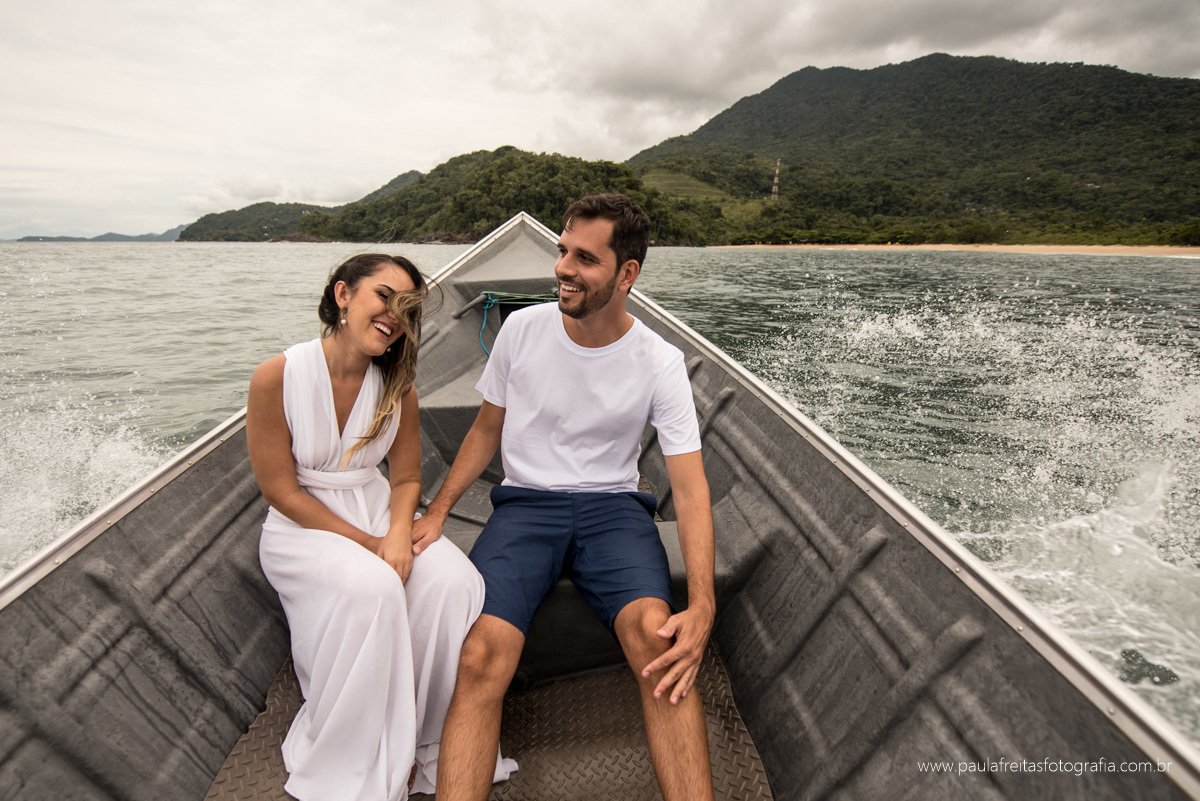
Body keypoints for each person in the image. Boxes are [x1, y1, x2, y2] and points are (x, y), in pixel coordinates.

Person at [410, 194, 717, 801]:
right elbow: (485, 430)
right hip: (526, 507)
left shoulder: (660, 361)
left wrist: (702, 604)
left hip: (615, 513)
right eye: (561, 251)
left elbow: (689, 486)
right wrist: (438, 511)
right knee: (479, 658)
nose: (563, 269)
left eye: (585, 258)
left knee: (658, 645)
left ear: (627, 273)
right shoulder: (521, 329)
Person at [246, 254, 516, 801]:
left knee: (454, 582)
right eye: (384, 296)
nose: (395, 315)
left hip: (376, 508)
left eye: (407, 309)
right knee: (374, 586)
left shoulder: (399, 388)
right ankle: (361, 753)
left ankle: (421, 736)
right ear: (343, 295)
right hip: (303, 528)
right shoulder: (277, 375)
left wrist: (398, 533)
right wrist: (373, 547)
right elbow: (281, 491)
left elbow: (407, 478)